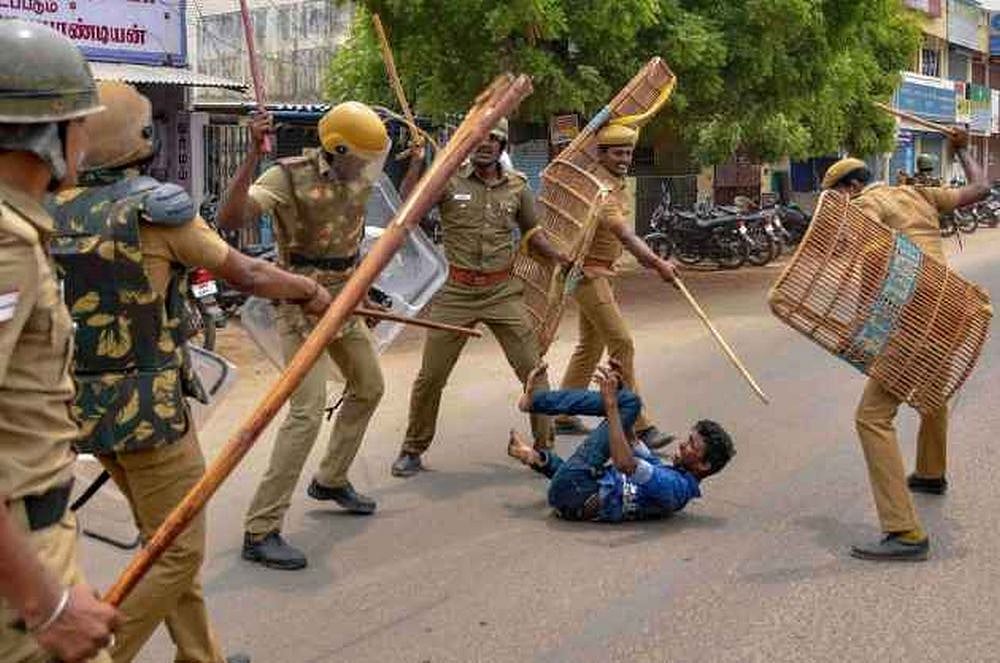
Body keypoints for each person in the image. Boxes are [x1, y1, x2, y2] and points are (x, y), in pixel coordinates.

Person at [51, 82, 330, 661]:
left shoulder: (52, 207)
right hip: (147, 413)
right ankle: (93, 655)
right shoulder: (152, 210)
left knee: (163, 542)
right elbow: (247, 274)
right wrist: (307, 290)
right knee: (178, 552)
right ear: (141, 136)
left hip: (79, 406)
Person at [215, 104, 386, 570]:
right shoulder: (287, 176)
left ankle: (330, 479)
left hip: (344, 301)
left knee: (370, 386)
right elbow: (230, 219)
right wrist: (252, 154)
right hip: (299, 306)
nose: (368, 166)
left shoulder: (360, 179)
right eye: (362, 157)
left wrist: (365, 296)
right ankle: (261, 529)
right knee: (307, 412)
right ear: (338, 149)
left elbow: (352, 245)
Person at [0, 19, 120, 663]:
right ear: (48, 133)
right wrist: (45, 604)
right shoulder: (6, 242)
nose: (87, 142)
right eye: (80, 124)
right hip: (21, 569)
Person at [819, 134, 988, 561]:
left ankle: (904, 531)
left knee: (872, 417)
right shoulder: (917, 194)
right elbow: (981, 188)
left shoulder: (865, 204)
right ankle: (930, 473)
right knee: (932, 395)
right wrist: (961, 148)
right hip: (953, 311)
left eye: (837, 199)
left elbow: (861, 255)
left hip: (916, 321)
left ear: (850, 188)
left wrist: (862, 328)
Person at [389, 118, 569, 477]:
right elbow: (409, 205)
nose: (485, 144)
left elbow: (533, 232)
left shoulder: (518, 186)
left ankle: (546, 450)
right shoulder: (448, 180)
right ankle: (412, 448)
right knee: (430, 377)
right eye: (480, 138)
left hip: (502, 291)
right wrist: (417, 164)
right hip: (456, 292)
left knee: (534, 372)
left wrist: (558, 257)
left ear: (503, 145)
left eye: (494, 138)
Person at [553, 123, 679, 448]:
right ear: (601, 154)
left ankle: (563, 413)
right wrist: (658, 264)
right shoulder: (601, 190)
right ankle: (639, 424)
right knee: (622, 343)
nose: (624, 159)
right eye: (617, 153)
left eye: (628, 153)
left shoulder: (616, 183)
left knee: (590, 346)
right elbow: (625, 235)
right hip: (588, 276)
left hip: (603, 274)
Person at [507, 362, 734, 522]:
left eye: (692, 445)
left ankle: (534, 401)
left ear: (704, 465)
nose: (683, 445)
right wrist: (621, 394)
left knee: (630, 404)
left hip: (577, 492)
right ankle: (532, 456)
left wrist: (612, 405)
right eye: (688, 440)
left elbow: (625, 462)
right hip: (575, 493)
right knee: (628, 403)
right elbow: (631, 441)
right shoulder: (674, 478)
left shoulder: (673, 487)